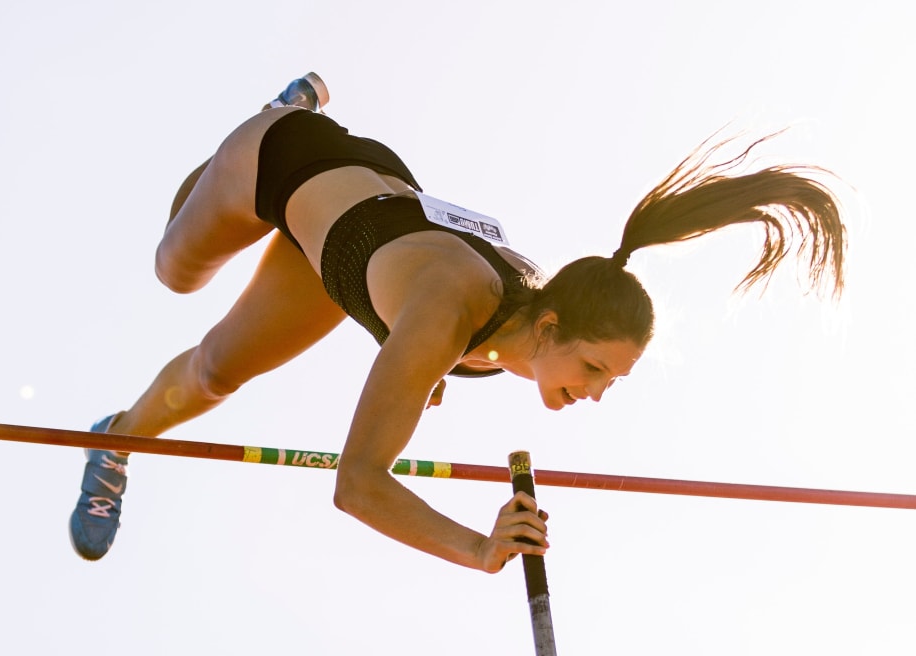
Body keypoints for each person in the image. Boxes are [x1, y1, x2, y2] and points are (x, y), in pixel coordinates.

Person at [70, 73, 846, 569]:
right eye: (596, 369)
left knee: (214, 372)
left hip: (361, 223)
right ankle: (276, 110)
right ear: (548, 330)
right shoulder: (448, 310)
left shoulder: (534, 314)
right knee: (175, 270)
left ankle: (115, 443)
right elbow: (357, 485)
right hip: (285, 163)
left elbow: (439, 321)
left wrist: (420, 363)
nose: (599, 392)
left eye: (612, 379)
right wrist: (479, 548)